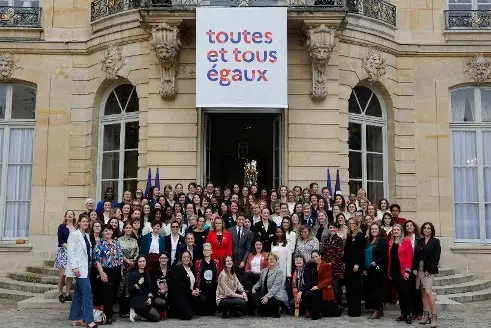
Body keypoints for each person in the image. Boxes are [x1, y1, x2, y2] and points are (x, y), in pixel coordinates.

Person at [66, 215, 98, 328]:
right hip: (79, 269)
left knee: (78, 293)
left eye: (87, 221)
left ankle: (75, 318)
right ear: (78, 223)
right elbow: (70, 252)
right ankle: (89, 320)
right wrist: (74, 268)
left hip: (86, 267)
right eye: (83, 221)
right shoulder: (74, 235)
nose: (85, 223)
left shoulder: (87, 235)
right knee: (88, 292)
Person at [93, 224, 124, 324]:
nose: (108, 232)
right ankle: (107, 315)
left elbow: (120, 256)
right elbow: (97, 260)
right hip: (106, 271)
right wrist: (101, 273)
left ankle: (109, 314)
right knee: (107, 294)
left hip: (117, 271)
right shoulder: (99, 244)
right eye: (106, 230)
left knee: (114, 293)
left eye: (110, 230)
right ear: (102, 232)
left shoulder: (116, 243)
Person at [412, 222, 441, 328]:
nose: (426, 230)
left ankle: (434, 317)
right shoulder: (419, 241)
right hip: (419, 269)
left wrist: (429, 270)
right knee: (423, 293)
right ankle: (426, 315)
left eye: (429, 228)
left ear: (432, 230)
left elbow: (436, 258)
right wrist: (414, 268)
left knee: (428, 292)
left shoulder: (435, 241)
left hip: (430, 270)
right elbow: (415, 256)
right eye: (425, 228)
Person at [388, 224, 413, 324]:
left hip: (403, 271)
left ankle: (408, 314)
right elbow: (390, 257)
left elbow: (410, 256)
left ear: (401, 231)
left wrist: (407, 271)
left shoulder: (406, 241)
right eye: (394, 230)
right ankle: (402, 314)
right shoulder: (391, 242)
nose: (396, 231)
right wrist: (389, 271)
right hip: (394, 271)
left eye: (398, 229)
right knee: (399, 294)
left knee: (405, 293)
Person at [303, 250, 338, 320]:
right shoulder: (313, 266)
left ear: (320, 256)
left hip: (324, 288)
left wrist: (317, 286)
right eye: (313, 257)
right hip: (315, 288)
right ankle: (313, 312)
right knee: (307, 293)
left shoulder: (326, 265)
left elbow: (328, 279)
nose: (315, 258)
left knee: (310, 294)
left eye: (316, 256)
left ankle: (315, 314)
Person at [363, 222, 388, 319]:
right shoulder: (369, 241)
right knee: (372, 290)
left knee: (377, 290)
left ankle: (377, 310)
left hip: (377, 268)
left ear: (379, 230)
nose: (374, 230)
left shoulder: (382, 240)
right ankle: (379, 310)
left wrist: (376, 262)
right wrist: (365, 268)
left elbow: (384, 255)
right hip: (369, 269)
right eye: (372, 229)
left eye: (375, 229)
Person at [343, 217, 365, 317]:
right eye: (350, 223)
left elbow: (360, 252)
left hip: (356, 266)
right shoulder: (348, 236)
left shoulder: (360, 236)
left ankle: (356, 311)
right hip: (348, 265)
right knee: (349, 288)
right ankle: (351, 310)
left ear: (357, 224)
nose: (352, 225)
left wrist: (358, 264)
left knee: (355, 288)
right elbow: (347, 251)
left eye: (353, 223)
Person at [127, 255, 160, 322]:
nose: (142, 263)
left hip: (146, 298)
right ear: (137, 263)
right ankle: (135, 311)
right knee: (157, 317)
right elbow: (130, 290)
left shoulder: (147, 272)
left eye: (143, 261)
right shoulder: (133, 274)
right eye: (140, 261)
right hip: (137, 300)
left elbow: (150, 288)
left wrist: (150, 297)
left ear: (146, 262)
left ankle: (142, 314)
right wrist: (138, 284)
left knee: (162, 302)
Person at [117, 222, 139, 318]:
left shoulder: (134, 241)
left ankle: (129, 310)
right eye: (127, 228)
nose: (129, 229)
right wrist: (126, 261)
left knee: (130, 288)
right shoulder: (119, 240)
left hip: (132, 267)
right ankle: (122, 310)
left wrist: (133, 262)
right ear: (124, 229)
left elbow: (137, 252)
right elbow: (118, 252)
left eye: (130, 228)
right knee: (122, 288)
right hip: (122, 266)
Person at [252, 253, 284, 318]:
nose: (271, 260)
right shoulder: (264, 270)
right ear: (267, 261)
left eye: (273, 259)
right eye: (269, 259)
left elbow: (276, 287)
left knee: (266, 309)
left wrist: (267, 297)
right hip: (265, 294)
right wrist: (254, 288)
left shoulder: (279, 271)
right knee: (263, 313)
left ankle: (277, 309)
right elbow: (260, 282)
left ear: (276, 260)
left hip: (275, 296)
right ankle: (268, 309)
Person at [168, 250, 198, 320]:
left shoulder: (191, 268)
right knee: (188, 316)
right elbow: (180, 285)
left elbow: (194, 281)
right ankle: (174, 311)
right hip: (180, 296)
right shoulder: (178, 269)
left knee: (203, 301)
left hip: (189, 294)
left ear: (190, 258)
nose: (186, 259)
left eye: (188, 257)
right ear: (180, 258)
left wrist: (196, 289)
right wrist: (191, 292)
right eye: (184, 257)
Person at [321, 222, 344, 306]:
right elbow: (324, 253)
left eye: (334, 227)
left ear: (337, 229)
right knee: (328, 287)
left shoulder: (339, 240)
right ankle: (331, 305)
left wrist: (331, 263)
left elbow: (339, 254)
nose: (332, 229)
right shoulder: (326, 240)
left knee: (336, 288)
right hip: (327, 268)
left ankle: (339, 305)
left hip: (336, 268)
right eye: (330, 228)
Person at [55, 210, 76, 303]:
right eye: (68, 214)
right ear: (65, 217)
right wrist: (69, 248)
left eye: (72, 214)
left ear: (74, 217)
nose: (70, 216)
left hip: (73, 253)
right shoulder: (61, 226)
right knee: (62, 274)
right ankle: (60, 293)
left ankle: (67, 294)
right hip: (63, 251)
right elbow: (60, 241)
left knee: (70, 274)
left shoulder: (76, 227)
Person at [193, 243, 219, 316]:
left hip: (212, 289)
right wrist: (197, 288)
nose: (206, 251)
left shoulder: (216, 262)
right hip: (202, 289)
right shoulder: (198, 263)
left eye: (208, 250)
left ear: (211, 251)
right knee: (202, 312)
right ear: (203, 251)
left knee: (211, 312)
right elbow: (197, 277)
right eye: (205, 250)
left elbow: (217, 276)